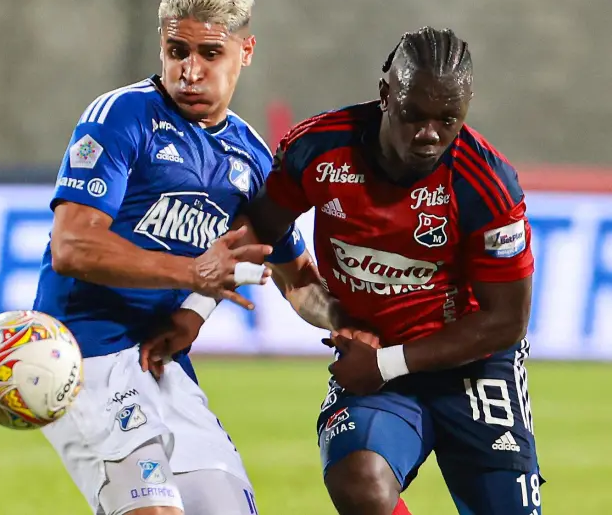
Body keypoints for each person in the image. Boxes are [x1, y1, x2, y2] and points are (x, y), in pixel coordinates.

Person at [143, 27, 541, 515]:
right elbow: (256, 232)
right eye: (413, 114)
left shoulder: (487, 183)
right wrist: (195, 311)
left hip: (470, 366)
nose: (429, 134)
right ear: (385, 94)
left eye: (448, 119)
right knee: (359, 484)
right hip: (374, 357)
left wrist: (388, 363)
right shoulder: (320, 148)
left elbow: (506, 321)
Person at [32, 0, 304, 515]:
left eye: (209, 53)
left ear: (245, 51)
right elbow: (73, 247)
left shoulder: (251, 156)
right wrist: (190, 276)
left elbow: (297, 279)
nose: (190, 70)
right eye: (177, 50)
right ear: (162, 45)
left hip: (161, 362)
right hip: (84, 356)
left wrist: (363, 330)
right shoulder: (121, 116)